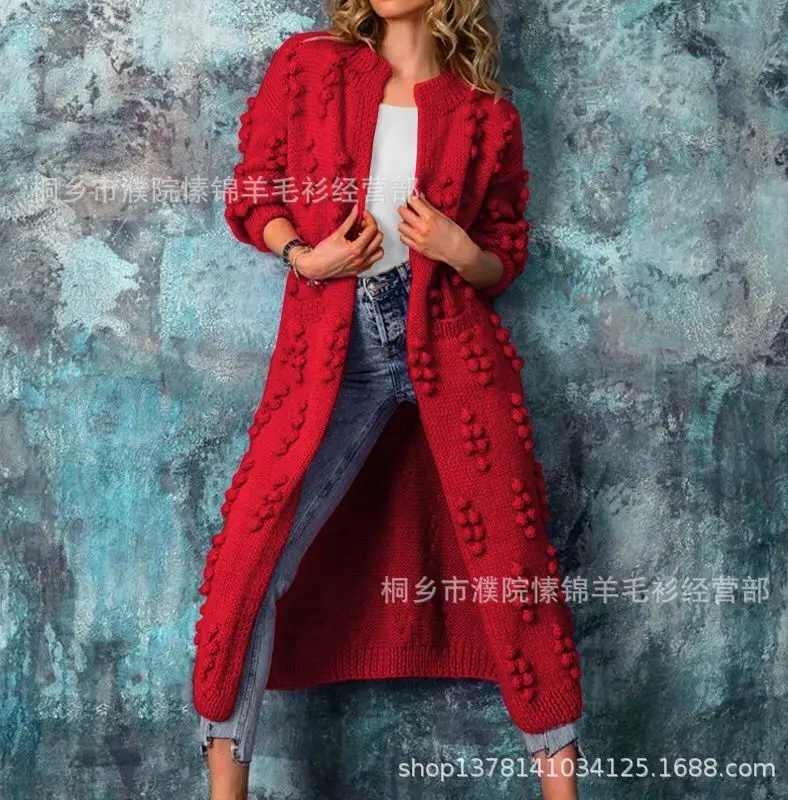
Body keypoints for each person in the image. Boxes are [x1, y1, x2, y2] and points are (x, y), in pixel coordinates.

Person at [194, 3, 586, 798]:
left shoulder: (485, 112)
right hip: (337, 349)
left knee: (517, 577)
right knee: (248, 558)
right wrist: (306, 257)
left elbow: (504, 255)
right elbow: (255, 193)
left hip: (454, 350)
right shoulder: (309, 64)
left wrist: (460, 249)